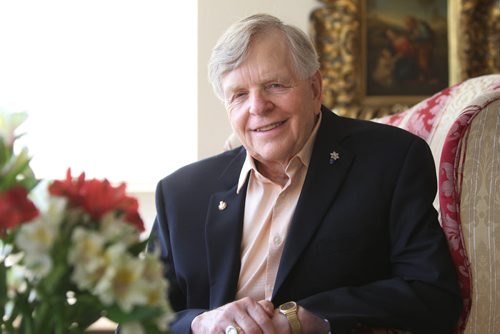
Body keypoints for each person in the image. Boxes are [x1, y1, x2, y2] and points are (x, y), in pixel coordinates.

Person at [149, 13, 462, 333]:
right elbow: (136, 322)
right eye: (239, 95)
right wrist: (200, 323)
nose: (257, 107)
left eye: (275, 85)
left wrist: (304, 319)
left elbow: (432, 295)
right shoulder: (180, 194)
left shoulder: (391, 160)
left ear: (315, 89)